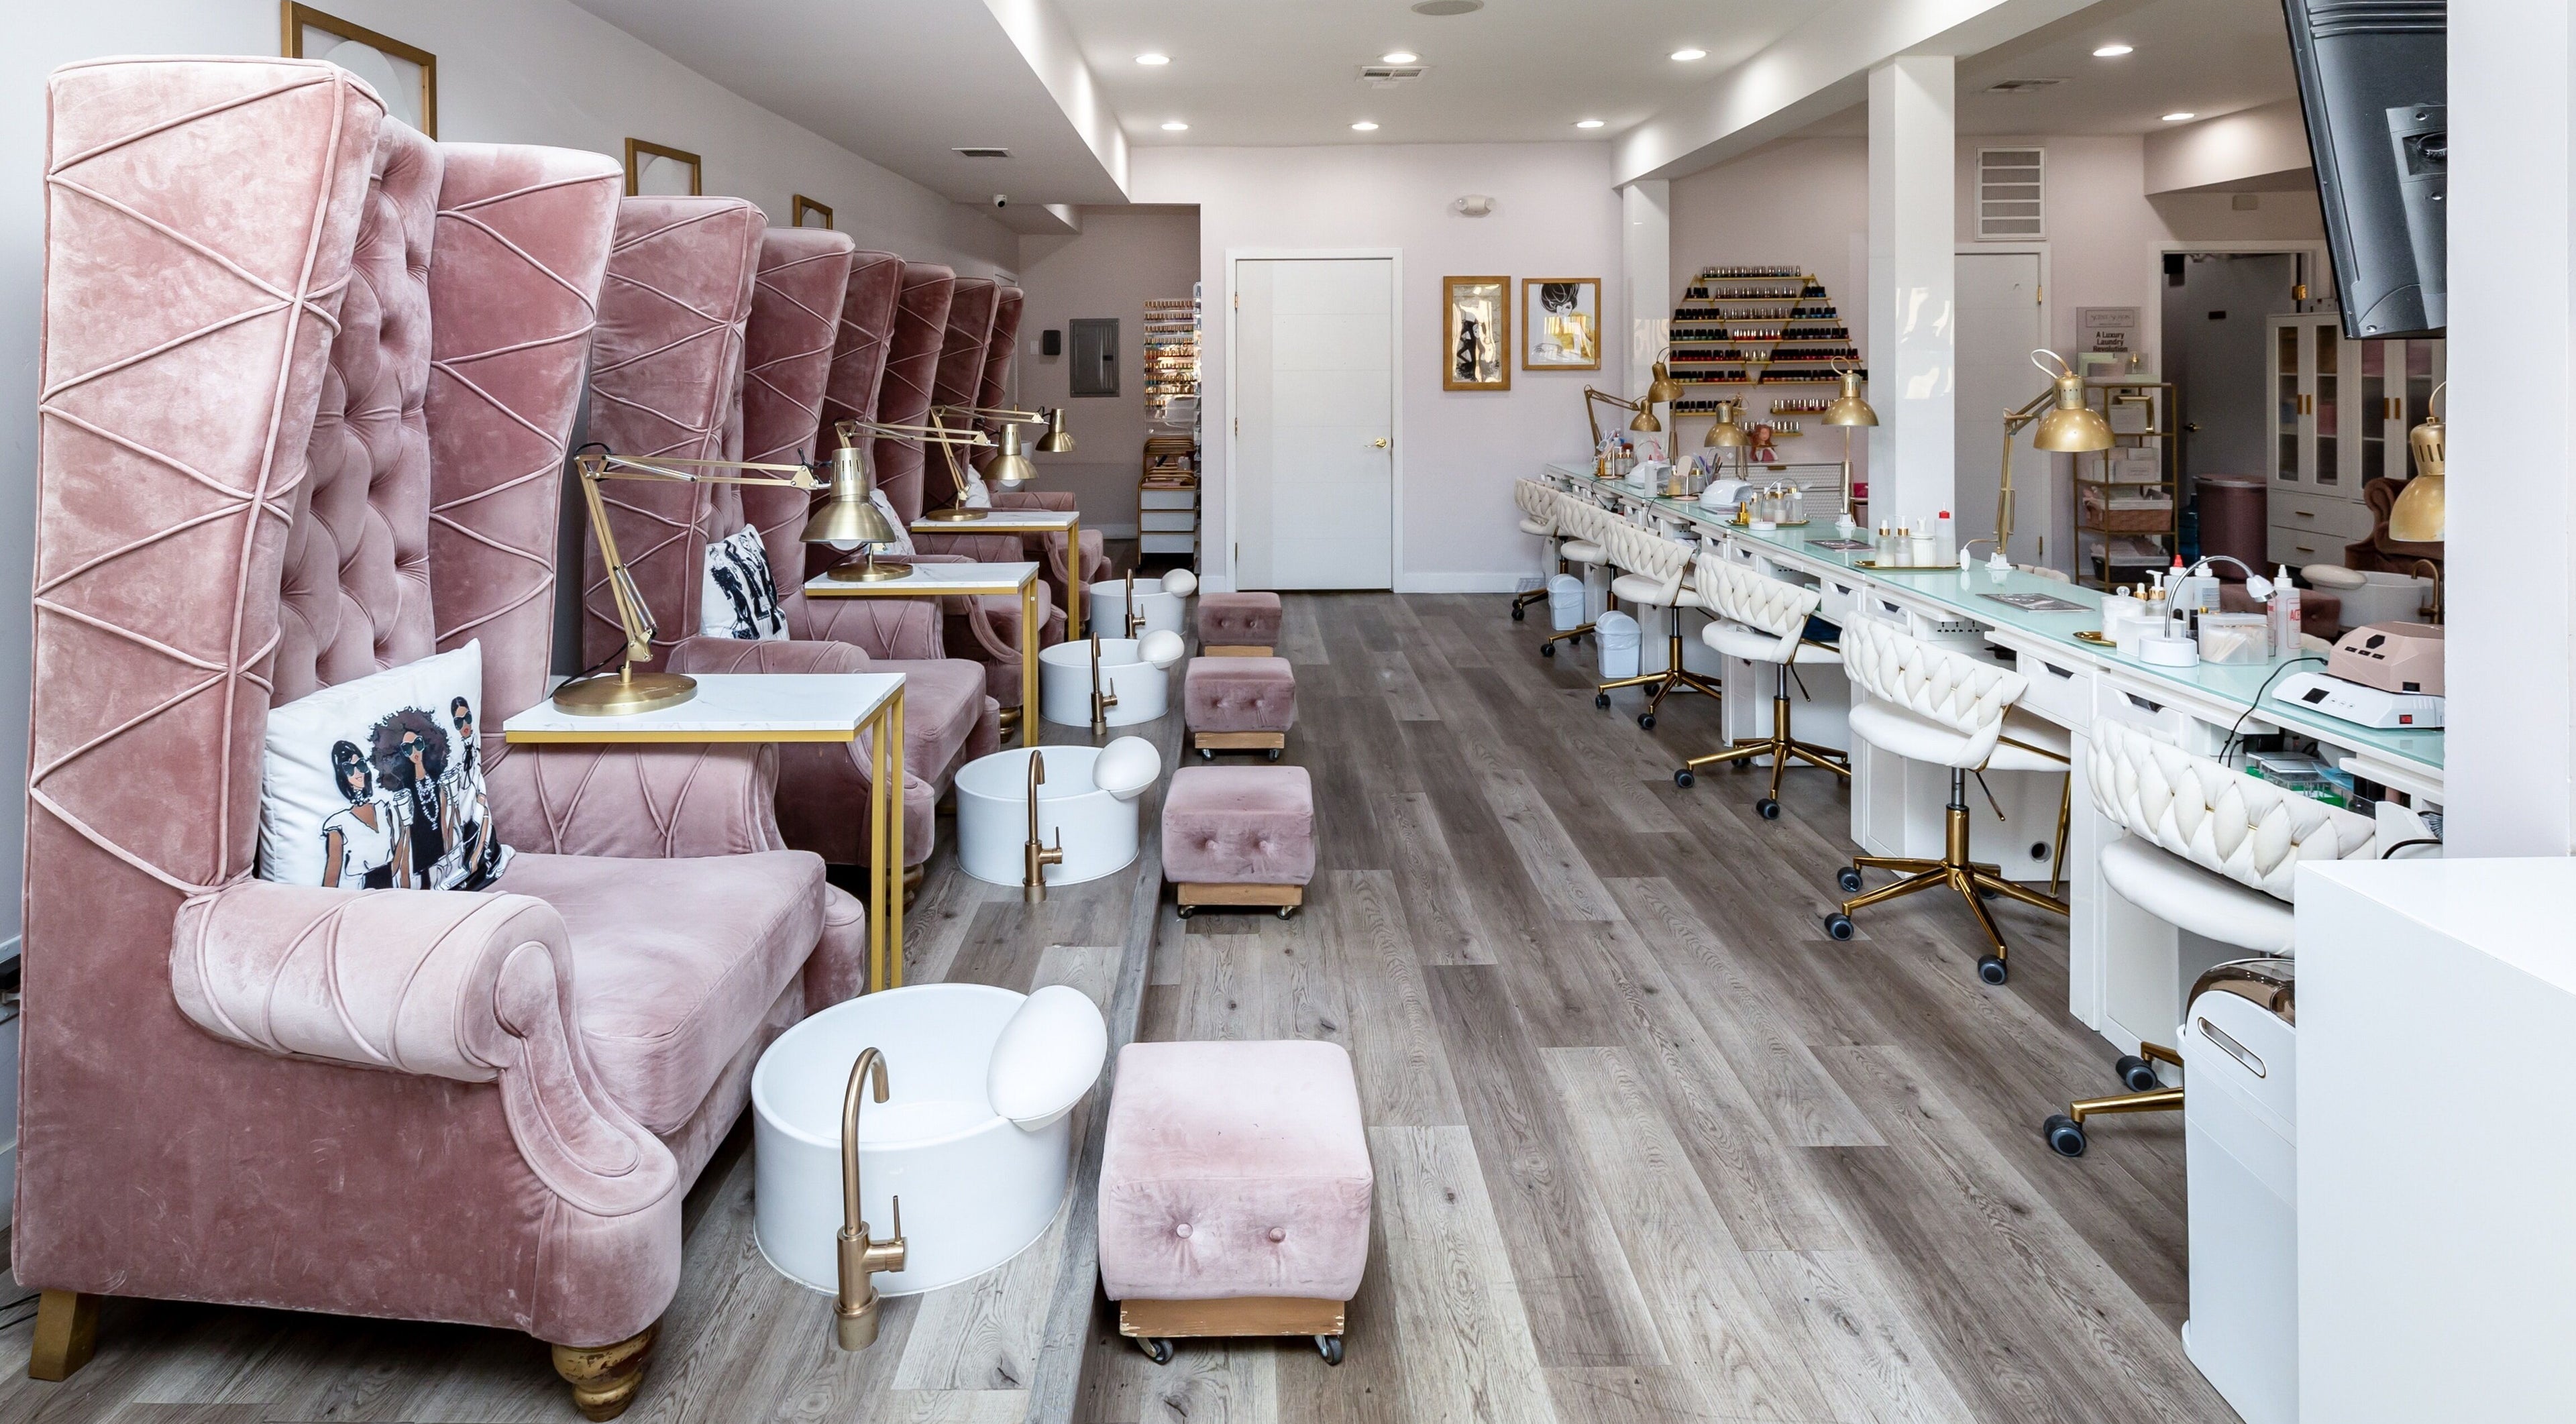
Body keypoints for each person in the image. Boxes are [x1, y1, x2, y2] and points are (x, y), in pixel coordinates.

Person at [372, 707, 455, 888]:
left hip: (440, 843)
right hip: (418, 848)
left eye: (417, 744)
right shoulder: (404, 787)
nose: (414, 751)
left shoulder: (436, 777)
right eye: (407, 748)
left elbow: (444, 813)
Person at [319, 739, 401, 889]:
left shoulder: (383, 810)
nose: (357, 773)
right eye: (349, 769)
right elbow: (332, 874)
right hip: (357, 892)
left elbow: (398, 852)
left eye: (361, 765)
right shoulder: (338, 823)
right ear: (341, 774)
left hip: (389, 887)